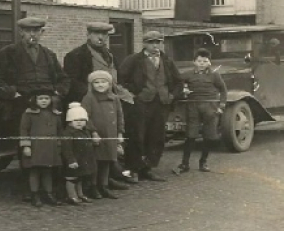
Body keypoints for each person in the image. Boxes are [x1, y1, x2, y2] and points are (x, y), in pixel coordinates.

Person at [0, 17, 70, 200]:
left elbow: (63, 78)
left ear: (42, 33)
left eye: (37, 31)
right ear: (21, 33)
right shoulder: (8, 53)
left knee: (50, 143)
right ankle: (29, 187)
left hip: (48, 104)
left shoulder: (48, 55)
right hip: (22, 104)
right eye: (28, 31)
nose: (32, 35)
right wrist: (12, 93)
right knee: (27, 144)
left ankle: (50, 187)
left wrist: (58, 94)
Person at [64, 22, 135, 188]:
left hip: (110, 101)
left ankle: (112, 173)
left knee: (113, 136)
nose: (101, 37)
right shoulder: (76, 55)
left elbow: (116, 79)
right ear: (88, 34)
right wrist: (94, 95)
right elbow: (73, 82)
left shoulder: (109, 55)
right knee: (96, 141)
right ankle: (99, 181)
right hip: (90, 103)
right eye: (97, 34)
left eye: (105, 34)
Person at [118, 31, 182, 182]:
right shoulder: (133, 60)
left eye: (158, 42)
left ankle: (148, 168)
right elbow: (121, 79)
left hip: (161, 104)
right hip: (140, 104)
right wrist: (134, 95)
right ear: (144, 44)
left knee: (157, 137)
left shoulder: (167, 61)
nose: (155, 46)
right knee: (137, 136)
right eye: (151, 42)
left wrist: (172, 96)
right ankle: (134, 168)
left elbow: (179, 82)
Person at [174, 48, 227, 174]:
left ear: (209, 62)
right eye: (199, 61)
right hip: (193, 107)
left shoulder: (215, 75)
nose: (202, 63)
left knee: (208, 137)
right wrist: (183, 90)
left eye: (205, 61)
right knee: (190, 136)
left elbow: (223, 90)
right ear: (194, 62)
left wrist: (221, 106)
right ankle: (184, 164)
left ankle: (203, 162)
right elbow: (176, 83)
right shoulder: (187, 74)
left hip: (210, 108)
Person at [82, 70, 125, 199]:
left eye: (103, 82)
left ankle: (104, 185)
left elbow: (119, 116)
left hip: (110, 134)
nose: (100, 85)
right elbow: (85, 116)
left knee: (107, 161)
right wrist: (93, 132)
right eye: (96, 82)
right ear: (92, 84)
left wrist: (120, 133)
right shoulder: (89, 98)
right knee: (96, 161)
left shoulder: (114, 98)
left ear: (109, 84)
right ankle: (93, 186)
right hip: (97, 135)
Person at [19, 89, 64, 207]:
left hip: (50, 147)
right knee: (35, 170)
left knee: (47, 171)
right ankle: (35, 195)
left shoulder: (55, 114)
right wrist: (26, 146)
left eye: (46, 99)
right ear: (35, 100)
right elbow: (24, 130)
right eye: (40, 99)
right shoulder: (29, 113)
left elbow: (60, 130)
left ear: (51, 100)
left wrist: (59, 144)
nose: (44, 101)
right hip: (35, 147)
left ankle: (49, 194)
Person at [61, 102, 95, 206]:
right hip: (73, 160)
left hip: (83, 159)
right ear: (70, 121)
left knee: (80, 177)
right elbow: (67, 149)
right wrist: (71, 160)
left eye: (82, 120)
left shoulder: (85, 131)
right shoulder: (68, 133)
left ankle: (80, 194)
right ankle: (72, 196)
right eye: (75, 120)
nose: (79, 122)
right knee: (72, 178)